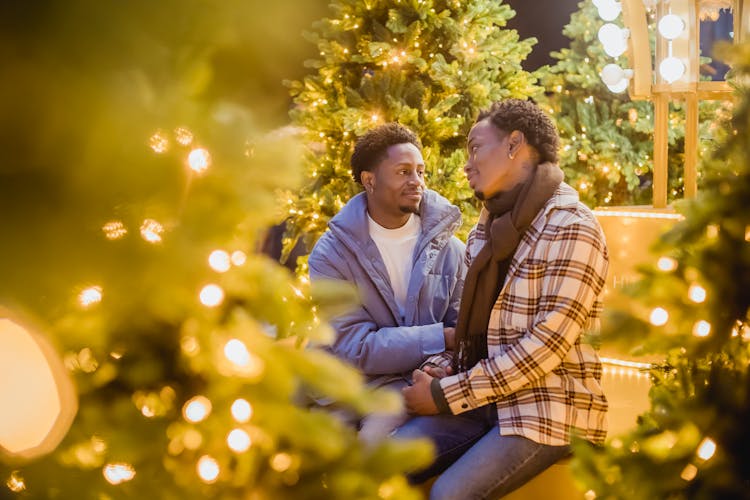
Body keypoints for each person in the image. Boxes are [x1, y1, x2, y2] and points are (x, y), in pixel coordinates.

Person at [395, 99, 609, 499]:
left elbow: (546, 346)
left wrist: (446, 395)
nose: (467, 163)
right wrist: (439, 370)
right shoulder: (488, 226)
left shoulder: (572, 226)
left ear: (515, 144)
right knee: (382, 463)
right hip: (485, 399)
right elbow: (477, 332)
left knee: (450, 494)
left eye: (476, 148)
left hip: (549, 408)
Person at [308, 122, 467, 443]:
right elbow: (353, 348)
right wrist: (441, 337)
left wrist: (438, 361)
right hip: (344, 383)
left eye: (421, 172)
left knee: (373, 449)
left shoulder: (452, 250)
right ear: (370, 180)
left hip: (406, 386)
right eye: (404, 172)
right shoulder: (330, 253)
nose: (417, 182)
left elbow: (463, 334)